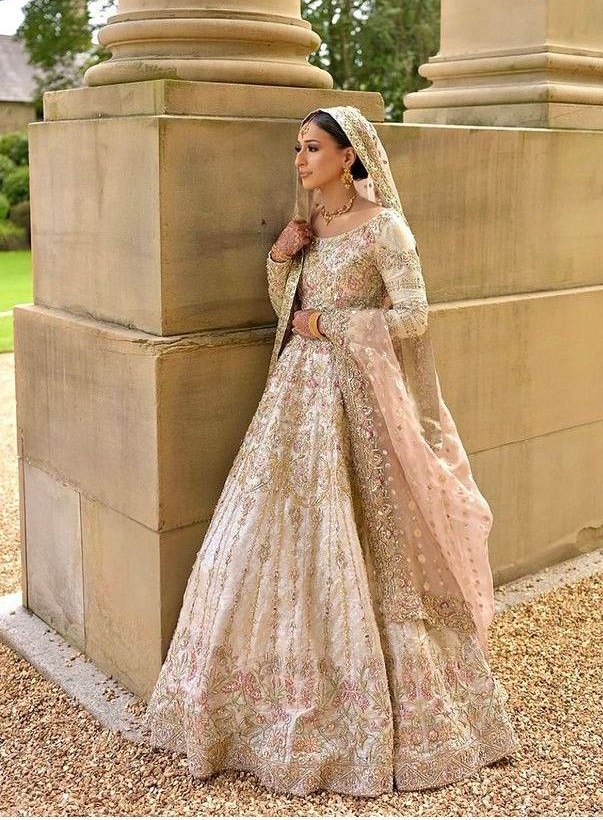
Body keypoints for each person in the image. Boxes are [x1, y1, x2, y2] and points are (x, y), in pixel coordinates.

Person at [139, 105, 520, 796]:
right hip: (292, 403)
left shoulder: (385, 229)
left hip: (356, 407)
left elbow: (412, 316)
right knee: (272, 530)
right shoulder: (308, 229)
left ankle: (376, 708)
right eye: (296, 149)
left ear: (349, 157)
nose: (299, 160)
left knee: (364, 535)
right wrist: (281, 259)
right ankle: (250, 704)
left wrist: (327, 323)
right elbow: (289, 308)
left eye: (311, 149)